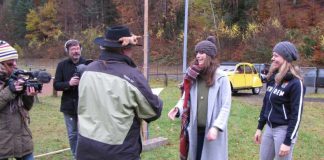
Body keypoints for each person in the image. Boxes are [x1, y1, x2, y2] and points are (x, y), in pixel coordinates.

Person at [76, 25, 163, 160]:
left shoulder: (87, 71)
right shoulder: (132, 76)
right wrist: (157, 99)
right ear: (125, 49)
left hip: (85, 148)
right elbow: (152, 111)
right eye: (131, 49)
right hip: (118, 152)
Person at [168, 36, 232, 160]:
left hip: (213, 131)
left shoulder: (222, 77)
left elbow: (226, 106)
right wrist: (178, 108)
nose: (198, 55)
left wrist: (216, 127)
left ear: (210, 56)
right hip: (195, 130)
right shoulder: (193, 75)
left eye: (202, 52)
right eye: (197, 52)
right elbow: (186, 97)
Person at [254, 41, 305, 160]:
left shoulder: (296, 83)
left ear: (286, 58)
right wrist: (259, 127)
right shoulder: (273, 78)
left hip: (284, 130)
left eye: (276, 55)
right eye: (273, 55)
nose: (272, 58)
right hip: (269, 128)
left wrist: (288, 141)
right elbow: (266, 104)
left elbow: (296, 116)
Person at [0, 40, 38, 160]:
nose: (15, 65)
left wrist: (29, 94)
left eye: (15, 61)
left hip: (22, 140)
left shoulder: (18, 78)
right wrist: (10, 91)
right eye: (10, 64)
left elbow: (27, 107)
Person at [53, 39, 87, 158]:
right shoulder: (62, 65)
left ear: (81, 49)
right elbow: (56, 85)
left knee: (87, 133)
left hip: (86, 106)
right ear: (67, 51)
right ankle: (76, 156)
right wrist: (69, 83)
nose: (75, 51)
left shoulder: (88, 63)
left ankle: (87, 156)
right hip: (69, 106)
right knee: (73, 134)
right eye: (73, 49)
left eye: (77, 49)